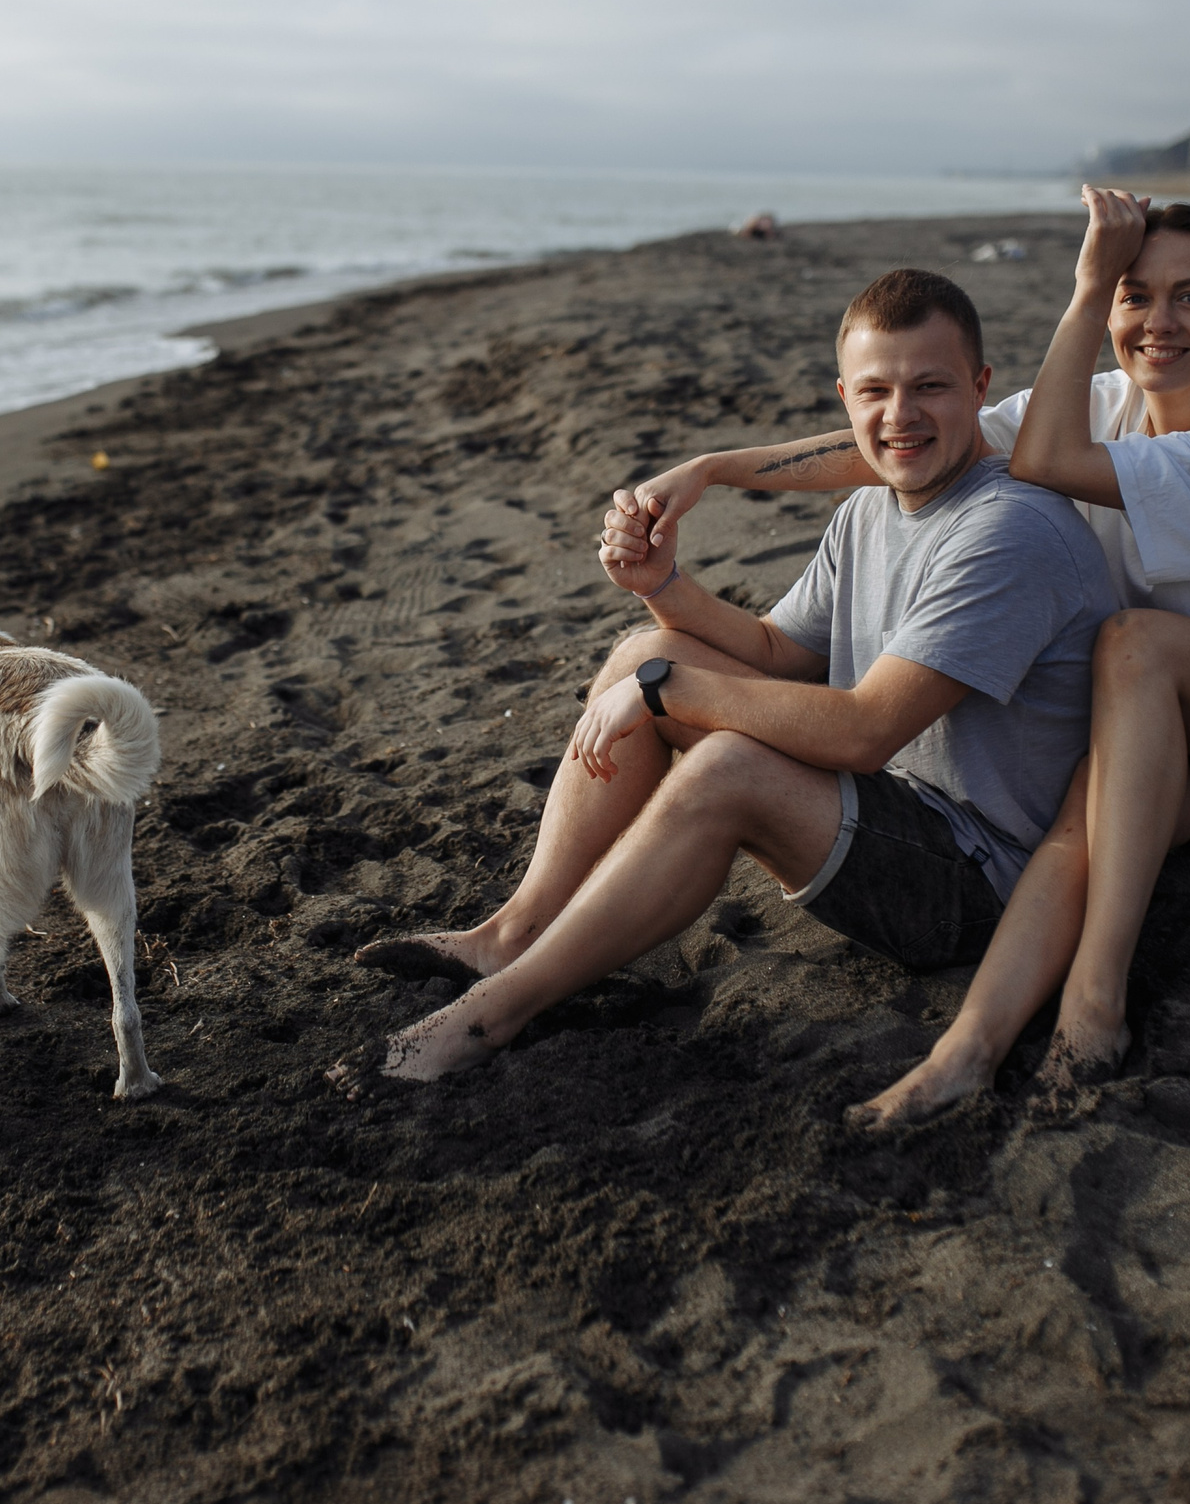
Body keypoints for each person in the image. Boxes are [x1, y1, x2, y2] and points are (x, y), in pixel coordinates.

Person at [612, 191, 1190, 1125]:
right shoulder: (1103, 403)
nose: (1157, 323)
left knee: (1131, 644)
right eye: (1134, 295)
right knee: (1077, 820)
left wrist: (1087, 285)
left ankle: (1096, 1002)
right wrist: (715, 467)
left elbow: (1040, 461)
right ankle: (965, 1053)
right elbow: (910, 434)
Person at [348, 269, 1117, 1081]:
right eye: (875, 391)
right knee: (638, 654)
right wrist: (662, 591)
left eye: (930, 386)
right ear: (844, 396)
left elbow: (866, 729)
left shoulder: (1009, 530)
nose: (900, 416)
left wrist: (666, 692)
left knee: (718, 756)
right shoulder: (868, 510)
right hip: (891, 811)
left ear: (980, 386)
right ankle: (513, 936)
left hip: (978, 884)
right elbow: (778, 652)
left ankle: (488, 1018)